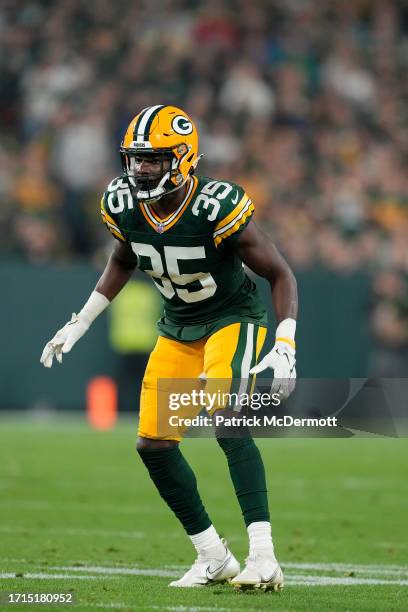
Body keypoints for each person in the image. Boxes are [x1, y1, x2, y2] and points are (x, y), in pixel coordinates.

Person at [40, 105, 298, 591]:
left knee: (229, 422)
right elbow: (123, 256)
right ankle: (212, 556)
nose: (140, 169)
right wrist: (81, 320)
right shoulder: (122, 202)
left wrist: (285, 340)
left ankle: (263, 555)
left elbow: (280, 273)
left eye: (153, 160)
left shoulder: (215, 206)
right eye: (135, 159)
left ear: (183, 159)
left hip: (232, 319)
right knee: (153, 445)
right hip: (178, 327)